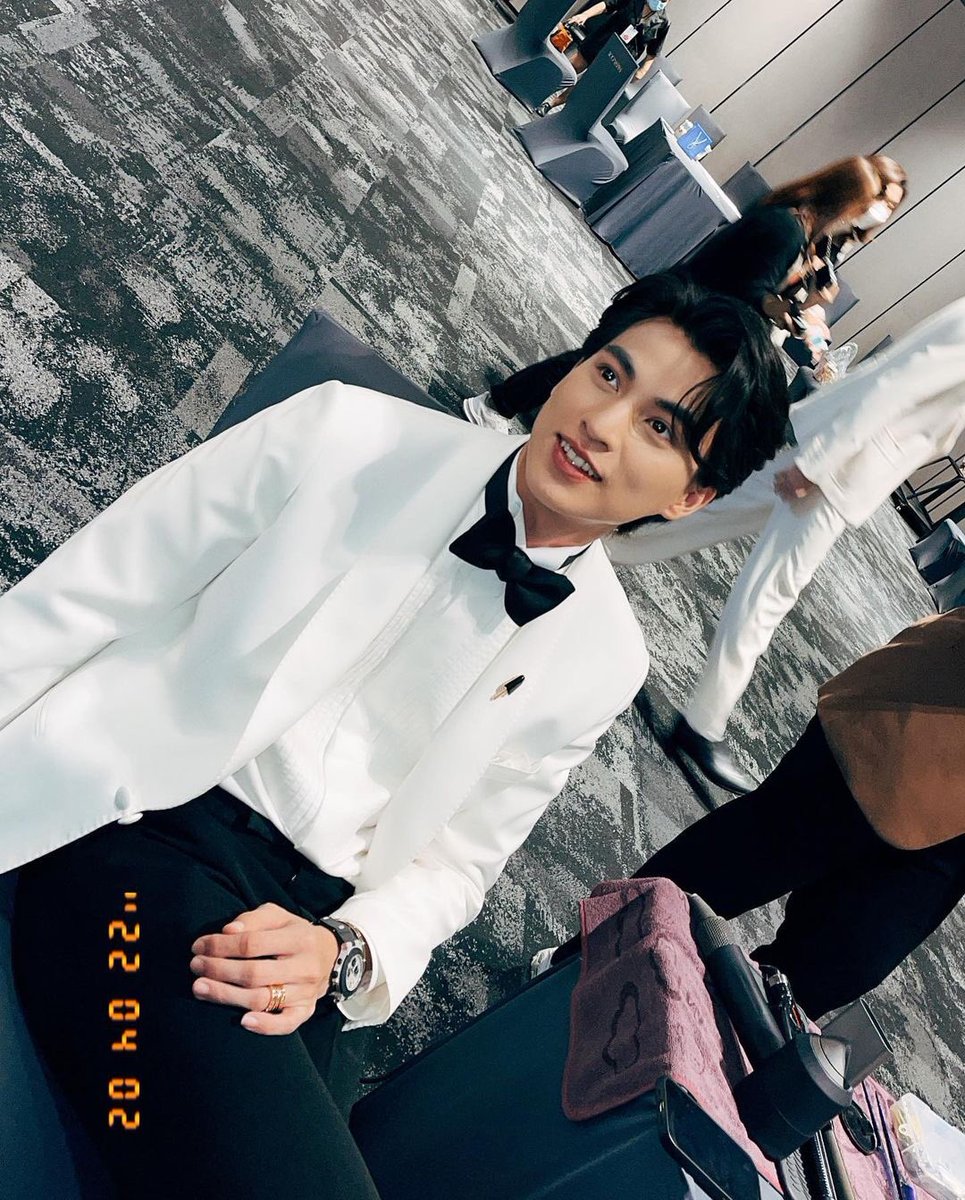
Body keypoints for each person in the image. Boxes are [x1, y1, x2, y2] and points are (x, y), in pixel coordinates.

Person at [3, 273, 788, 1197]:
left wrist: (341, 949)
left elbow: (459, 864)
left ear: (692, 496)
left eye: (658, 427)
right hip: (147, 832)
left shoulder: (604, 657)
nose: (601, 423)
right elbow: (85, 597)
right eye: (608, 374)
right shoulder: (345, 435)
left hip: (308, 926)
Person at [606, 296, 965, 791]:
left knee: (719, 513)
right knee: (772, 590)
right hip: (846, 463)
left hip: (846, 455)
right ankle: (703, 722)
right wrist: (820, 462)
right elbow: (898, 384)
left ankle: (606, 547)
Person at [536, 608, 965, 1020]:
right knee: (739, 864)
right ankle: (565, 977)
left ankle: (646, 1048)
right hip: (918, 724)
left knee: (823, 972)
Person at [464, 155, 907, 431]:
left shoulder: (799, 227)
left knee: (608, 372)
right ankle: (495, 405)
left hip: (687, 309)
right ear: (844, 201)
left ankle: (518, 410)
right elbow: (751, 287)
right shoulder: (787, 229)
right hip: (676, 306)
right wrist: (791, 317)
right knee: (594, 365)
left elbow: (759, 282)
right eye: (870, 204)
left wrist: (797, 304)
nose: (872, 214)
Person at [536, 0, 671, 114]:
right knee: (573, 67)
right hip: (602, 39)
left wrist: (642, 71)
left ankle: (550, 104)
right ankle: (539, 90)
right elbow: (607, 4)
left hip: (620, 57)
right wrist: (584, 15)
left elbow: (653, 51)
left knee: (584, 83)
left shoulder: (663, 22)